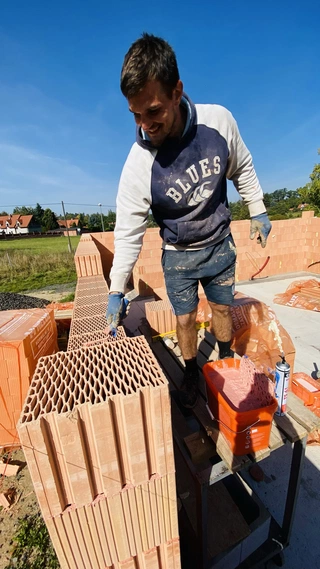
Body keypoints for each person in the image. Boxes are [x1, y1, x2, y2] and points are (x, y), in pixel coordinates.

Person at [106, 33, 271, 408]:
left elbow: (242, 166)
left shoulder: (217, 123)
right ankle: (191, 370)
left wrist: (258, 208)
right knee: (184, 321)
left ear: (177, 91)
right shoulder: (138, 164)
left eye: (153, 111)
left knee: (222, 309)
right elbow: (128, 232)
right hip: (178, 256)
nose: (144, 124)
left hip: (218, 244)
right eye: (135, 114)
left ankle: (226, 361)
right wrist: (117, 288)